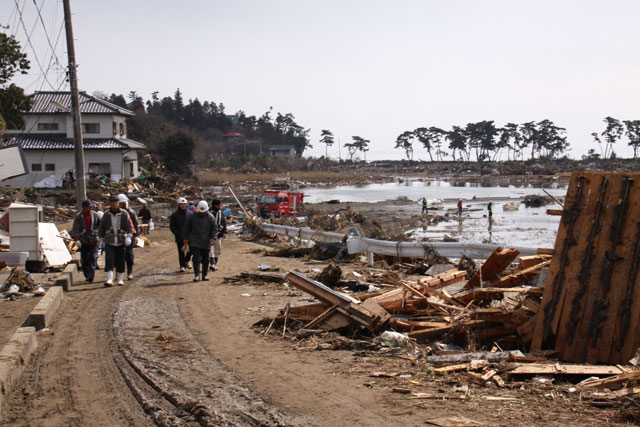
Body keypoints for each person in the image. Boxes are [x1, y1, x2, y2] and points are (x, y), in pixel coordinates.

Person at [98, 195, 132, 287]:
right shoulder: (106, 214)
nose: (113, 204)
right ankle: (109, 279)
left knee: (121, 260)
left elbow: (129, 226)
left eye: (115, 202)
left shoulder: (124, 213)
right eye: (112, 202)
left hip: (121, 240)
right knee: (109, 259)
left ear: (118, 203)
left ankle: (120, 279)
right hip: (109, 240)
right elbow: (102, 227)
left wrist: (129, 237)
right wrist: (101, 239)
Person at [183, 200, 217, 282]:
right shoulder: (192, 217)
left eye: (204, 211)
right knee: (196, 258)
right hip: (194, 241)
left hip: (206, 242)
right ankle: (197, 275)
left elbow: (214, 228)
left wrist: (213, 237)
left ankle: (204, 275)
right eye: (201, 211)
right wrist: (185, 238)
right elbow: (186, 228)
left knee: (206, 259)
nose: (202, 213)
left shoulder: (210, 217)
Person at [71, 200, 100, 283]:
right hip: (83, 241)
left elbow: (99, 225)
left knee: (93, 257)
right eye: (88, 207)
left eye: (91, 207)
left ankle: (91, 275)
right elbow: (75, 229)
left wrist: (98, 232)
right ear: (84, 207)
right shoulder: (79, 217)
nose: (90, 208)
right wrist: (77, 240)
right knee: (84, 260)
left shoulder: (94, 215)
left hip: (93, 240)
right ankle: (87, 274)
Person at [118, 194, 139, 280]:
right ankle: (119, 273)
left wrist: (136, 236)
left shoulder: (131, 212)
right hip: (119, 237)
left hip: (129, 236)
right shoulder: (116, 213)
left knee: (129, 255)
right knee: (119, 256)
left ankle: (129, 272)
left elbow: (135, 225)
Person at [169, 197, 192, 272]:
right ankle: (182, 266)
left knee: (191, 250)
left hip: (190, 236)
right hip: (180, 237)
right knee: (181, 251)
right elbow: (172, 226)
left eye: (184, 204)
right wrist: (178, 233)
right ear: (179, 205)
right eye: (181, 204)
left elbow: (193, 225)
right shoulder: (174, 215)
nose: (183, 205)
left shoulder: (190, 214)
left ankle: (187, 261)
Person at [209, 199, 227, 271]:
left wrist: (224, 232)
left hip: (218, 234)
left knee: (218, 250)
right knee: (211, 250)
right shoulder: (209, 213)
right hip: (210, 235)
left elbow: (223, 222)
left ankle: (215, 264)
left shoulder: (220, 212)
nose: (221, 206)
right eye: (220, 205)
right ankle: (212, 264)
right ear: (216, 205)